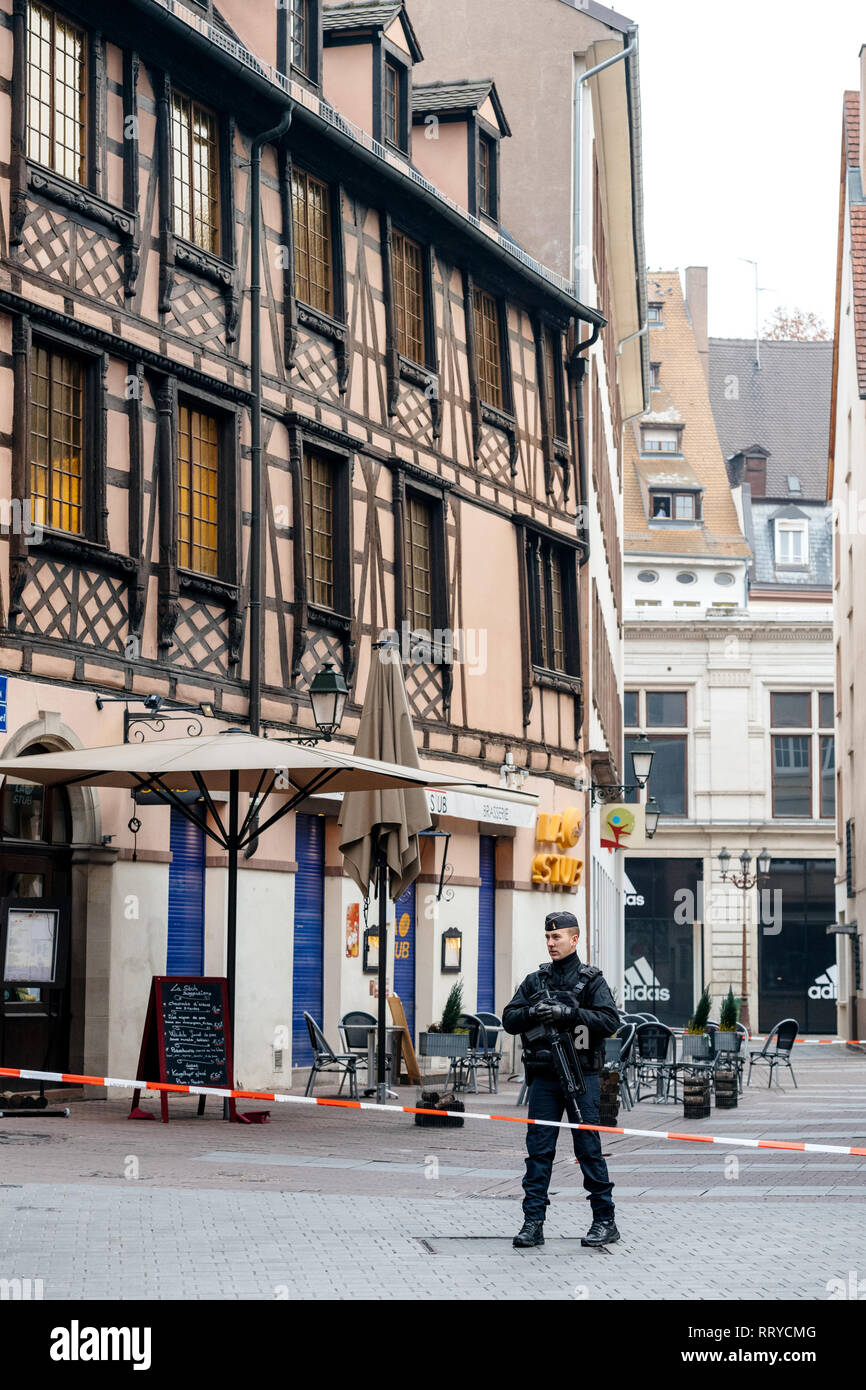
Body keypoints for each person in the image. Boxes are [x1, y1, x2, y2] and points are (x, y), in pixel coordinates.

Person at [503, 911, 621, 1248]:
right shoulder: (535, 981)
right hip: (544, 1078)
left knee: (588, 1149)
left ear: (575, 938)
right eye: (548, 938)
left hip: (581, 1076)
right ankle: (533, 1223)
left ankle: (605, 1220)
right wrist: (531, 1013)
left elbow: (610, 1020)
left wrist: (568, 1013)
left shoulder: (592, 981)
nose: (552, 943)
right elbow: (509, 1018)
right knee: (539, 1150)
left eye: (558, 937)